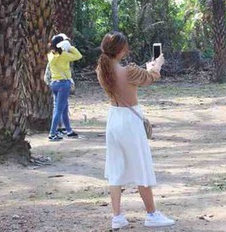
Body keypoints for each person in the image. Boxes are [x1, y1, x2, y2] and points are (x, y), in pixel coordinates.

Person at [95, 31, 175, 229]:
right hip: (130, 122)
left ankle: (117, 217)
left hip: (113, 119)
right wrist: (157, 65)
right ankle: (151, 214)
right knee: (142, 167)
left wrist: (148, 70)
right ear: (122, 50)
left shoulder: (101, 70)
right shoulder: (129, 71)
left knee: (115, 169)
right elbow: (150, 78)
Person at [47, 34, 82, 141]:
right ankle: (52, 133)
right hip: (63, 84)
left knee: (63, 108)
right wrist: (70, 47)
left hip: (54, 83)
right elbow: (78, 56)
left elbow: (54, 58)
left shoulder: (50, 54)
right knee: (59, 109)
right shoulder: (64, 55)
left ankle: (69, 130)